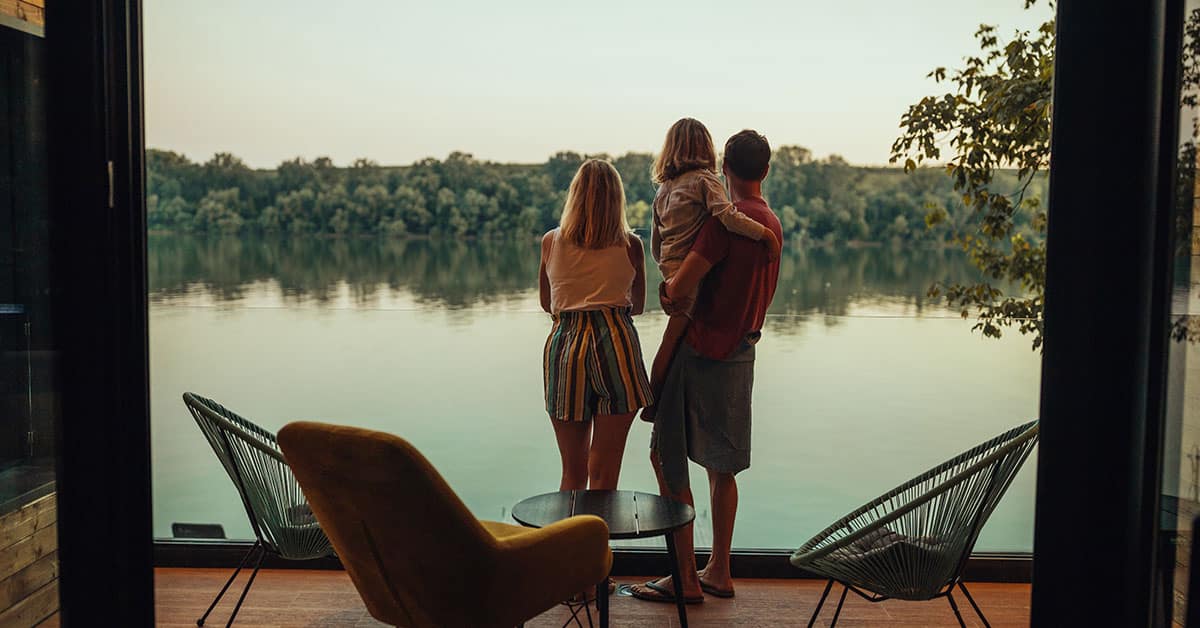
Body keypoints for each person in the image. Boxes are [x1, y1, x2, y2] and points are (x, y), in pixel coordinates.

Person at [630, 130, 783, 604]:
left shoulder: (722, 226)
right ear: (766, 170)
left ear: (724, 168)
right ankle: (719, 568)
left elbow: (679, 288)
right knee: (722, 468)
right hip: (743, 352)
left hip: (700, 353)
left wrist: (669, 285)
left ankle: (685, 576)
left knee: (667, 457)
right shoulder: (772, 224)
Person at [642, 118, 781, 422]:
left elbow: (655, 243)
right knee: (672, 336)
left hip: (671, 267)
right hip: (697, 291)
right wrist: (765, 235)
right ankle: (652, 404)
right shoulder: (706, 182)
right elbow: (727, 217)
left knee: (669, 339)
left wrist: (668, 277)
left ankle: (652, 399)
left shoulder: (663, 189)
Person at [539, 159, 654, 492]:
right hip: (615, 345)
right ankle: (602, 544)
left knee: (572, 475)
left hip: (565, 348)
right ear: (616, 199)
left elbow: (548, 304)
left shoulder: (551, 242)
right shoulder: (631, 245)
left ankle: (571, 545)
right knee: (604, 476)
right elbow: (639, 305)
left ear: (574, 196)